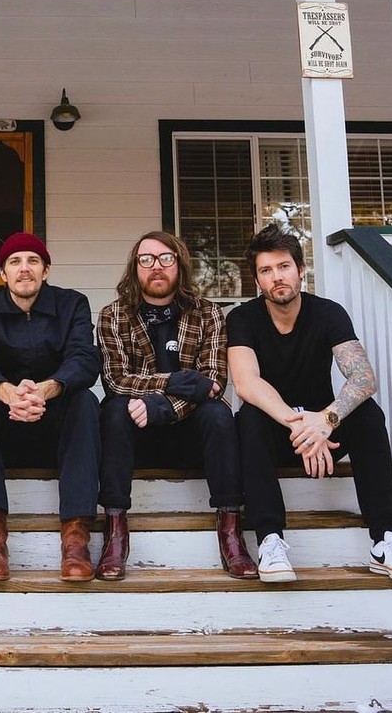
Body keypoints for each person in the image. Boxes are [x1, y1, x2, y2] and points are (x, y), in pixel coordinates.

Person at [228, 224, 392, 583]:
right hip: (279, 429)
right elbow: (246, 381)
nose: (277, 277)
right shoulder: (243, 318)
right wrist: (300, 422)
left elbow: (364, 379)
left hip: (325, 432)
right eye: (266, 271)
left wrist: (326, 420)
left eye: (284, 266)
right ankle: (270, 540)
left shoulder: (328, 313)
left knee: (367, 413)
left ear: (301, 270)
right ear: (257, 280)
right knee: (248, 418)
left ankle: (384, 539)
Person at [96, 231, 256, 581]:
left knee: (218, 413)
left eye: (166, 258)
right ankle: (115, 531)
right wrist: (173, 382)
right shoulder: (114, 315)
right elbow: (116, 379)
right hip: (136, 439)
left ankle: (231, 530)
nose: (156, 267)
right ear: (135, 268)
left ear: (179, 265)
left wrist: (163, 407)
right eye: (147, 259)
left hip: (192, 439)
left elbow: (213, 381)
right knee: (112, 409)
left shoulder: (208, 314)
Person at [0, 232, 101, 582]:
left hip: (56, 430)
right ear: (2, 275)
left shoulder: (72, 305)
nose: (25, 269)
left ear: (47, 270)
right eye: (15, 262)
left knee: (85, 400)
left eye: (33, 261)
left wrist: (47, 390)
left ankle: (75, 539)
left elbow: (85, 358)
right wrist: (6, 392)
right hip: (3, 429)